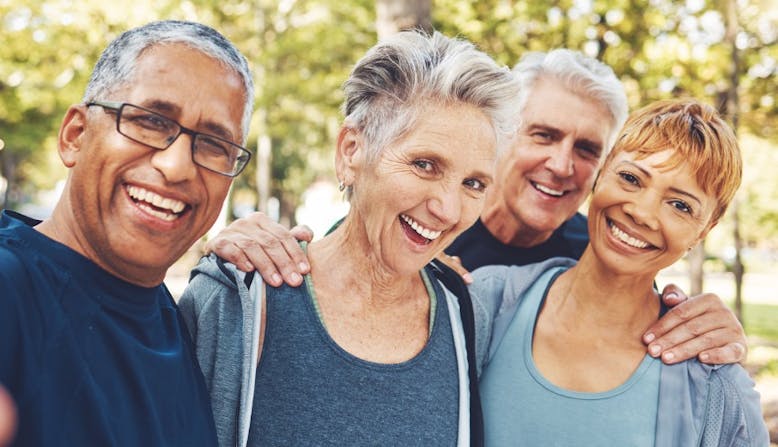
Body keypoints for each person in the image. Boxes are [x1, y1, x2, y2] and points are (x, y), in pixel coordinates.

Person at [206, 49, 747, 366]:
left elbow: (653, 330)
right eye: (544, 134)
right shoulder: (410, 223)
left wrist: (710, 324)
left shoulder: (599, 254)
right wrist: (250, 240)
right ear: (504, 137)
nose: (561, 165)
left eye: (587, 150)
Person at [178, 30, 521, 447]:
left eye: (473, 183)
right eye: (425, 164)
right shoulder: (236, 299)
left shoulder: (467, 317)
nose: (448, 209)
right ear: (351, 151)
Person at [0, 20, 254, 446]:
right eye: (151, 121)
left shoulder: (182, 319)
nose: (176, 166)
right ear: (75, 135)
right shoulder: (11, 290)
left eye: (213, 144)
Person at [472, 98, 768, 445]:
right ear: (602, 173)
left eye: (680, 205)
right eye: (630, 178)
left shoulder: (715, 387)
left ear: (705, 230)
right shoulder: (486, 304)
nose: (642, 213)